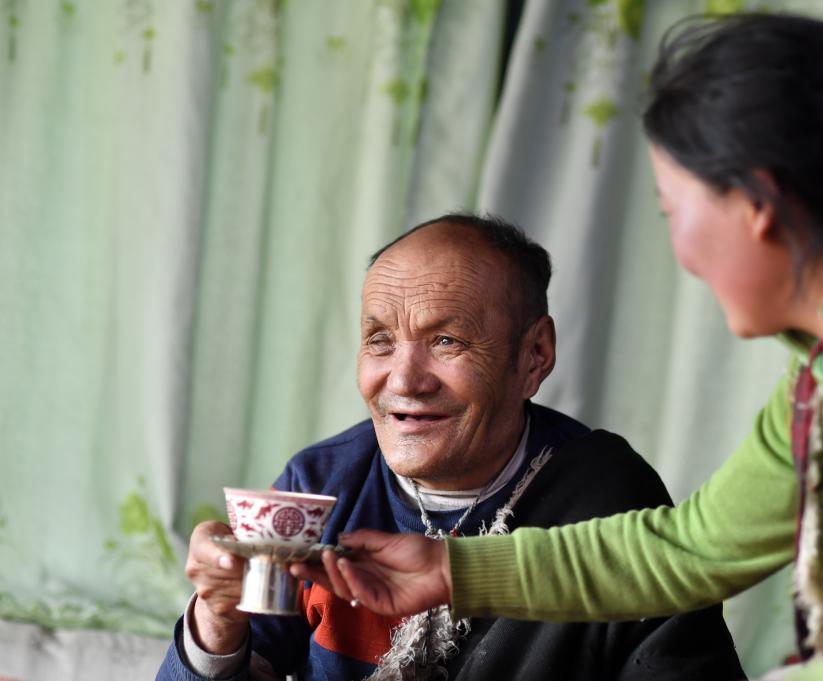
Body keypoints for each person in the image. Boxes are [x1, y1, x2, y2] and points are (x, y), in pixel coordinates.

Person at [299, 13, 823, 681]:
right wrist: (454, 570)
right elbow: (690, 548)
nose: (681, 251)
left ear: (757, 205)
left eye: (673, 211)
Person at [156, 214, 745, 680]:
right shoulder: (320, 486)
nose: (404, 380)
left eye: (446, 340)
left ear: (534, 356)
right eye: (380, 340)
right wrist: (216, 618)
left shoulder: (608, 499)